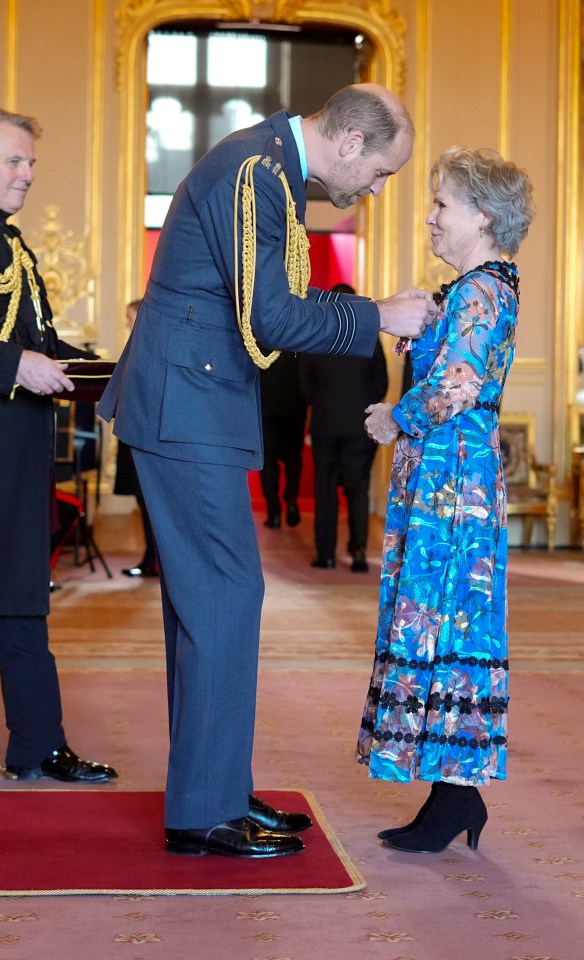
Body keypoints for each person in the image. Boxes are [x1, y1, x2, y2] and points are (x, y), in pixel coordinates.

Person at [98, 82, 436, 860]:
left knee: (208, 603)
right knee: (225, 595)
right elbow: (272, 316)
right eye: (383, 173)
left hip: (193, 401)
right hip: (185, 406)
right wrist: (379, 314)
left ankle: (211, 790)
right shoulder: (258, 171)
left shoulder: (269, 166)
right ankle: (203, 811)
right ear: (350, 144)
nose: (377, 189)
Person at [357, 145, 534, 853]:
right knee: (445, 622)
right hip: (448, 479)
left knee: (450, 620)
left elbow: (459, 385)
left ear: (483, 216)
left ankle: (455, 797)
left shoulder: (481, 289)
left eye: (442, 205)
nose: (429, 218)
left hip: (452, 486)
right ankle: (454, 795)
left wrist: (392, 417)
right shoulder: (474, 290)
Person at [0, 108, 118, 783]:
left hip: (17, 462)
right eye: (15, 161)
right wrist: (12, 366)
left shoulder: (17, 248)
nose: (28, 175)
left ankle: (38, 745)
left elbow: (44, 346)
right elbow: (20, 357)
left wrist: (112, 370)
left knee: (21, 602)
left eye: (32, 163)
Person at [299, 283, 388, 572]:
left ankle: (325, 555)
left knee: (325, 492)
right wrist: (366, 407)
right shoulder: (369, 337)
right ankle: (359, 551)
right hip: (359, 426)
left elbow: (304, 384)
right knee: (357, 490)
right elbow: (381, 382)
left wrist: (321, 403)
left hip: (325, 424)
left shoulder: (318, 335)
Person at [114, 299, 159, 577]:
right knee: (144, 504)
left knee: (149, 505)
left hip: (144, 438)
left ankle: (153, 561)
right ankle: (150, 559)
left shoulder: (147, 350)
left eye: (130, 318)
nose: (126, 324)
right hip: (137, 435)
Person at [258, 350, 307, 529]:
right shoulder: (299, 334)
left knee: (268, 463)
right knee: (293, 459)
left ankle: (274, 512)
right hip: (294, 406)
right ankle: (291, 498)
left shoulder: (263, 333)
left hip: (267, 407)